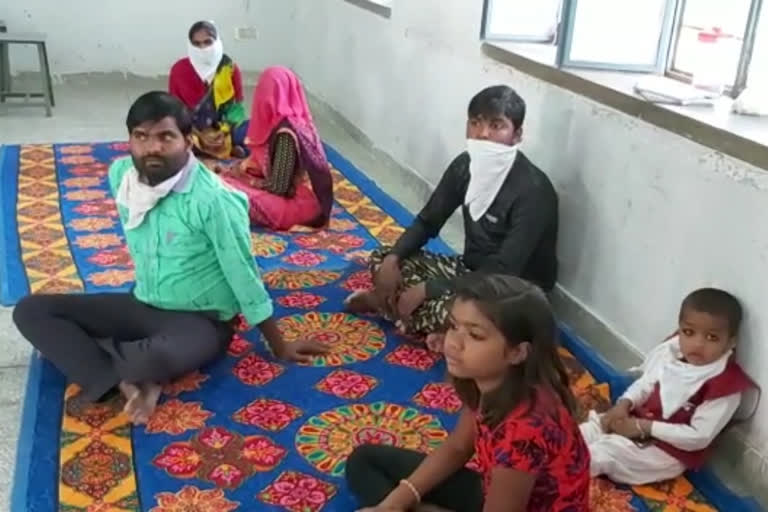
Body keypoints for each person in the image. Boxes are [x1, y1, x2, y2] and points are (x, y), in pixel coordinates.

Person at [12, 92, 327, 425]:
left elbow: (243, 273)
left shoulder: (214, 200)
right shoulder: (122, 176)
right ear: (130, 140)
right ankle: (124, 379)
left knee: (154, 356)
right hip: (143, 303)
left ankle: (108, 365)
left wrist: (279, 344)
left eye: (166, 137)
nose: (152, 148)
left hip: (201, 320)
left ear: (188, 142)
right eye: (141, 136)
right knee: (31, 311)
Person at [346, 274, 590, 512]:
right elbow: (458, 447)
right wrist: (395, 502)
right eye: (453, 326)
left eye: (475, 335)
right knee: (364, 461)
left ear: (517, 352)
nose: (453, 342)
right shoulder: (493, 380)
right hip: (491, 489)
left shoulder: (522, 429)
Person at [345, 85, 558, 352]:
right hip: (469, 270)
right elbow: (428, 221)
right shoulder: (464, 166)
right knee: (384, 259)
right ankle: (431, 323)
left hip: (512, 292)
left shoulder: (534, 190)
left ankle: (403, 311)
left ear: (517, 135)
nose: (482, 134)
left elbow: (505, 270)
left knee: (461, 311)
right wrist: (393, 258)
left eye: (497, 126)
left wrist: (428, 289)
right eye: (475, 123)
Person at [580, 288, 757, 485]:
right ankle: (549, 454)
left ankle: (556, 478)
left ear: (731, 341)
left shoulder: (725, 385)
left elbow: (699, 436)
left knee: (606, 452)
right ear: (679, 329)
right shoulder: (672, 352)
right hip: (640, 419)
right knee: (592, 429)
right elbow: (647, 383)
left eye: (711, 338)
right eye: (689, 332)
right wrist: (624, 404)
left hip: (667, 451)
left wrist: (645, 427)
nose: (697, 344)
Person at [217, 66, 333, 231]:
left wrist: (247, 180)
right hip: (289, 193)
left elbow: (280, 188)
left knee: (224, 189)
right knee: (226, 178)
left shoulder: (285, 135)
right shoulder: (283, 122)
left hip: (290, 204)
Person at [169, 21, 248, 159]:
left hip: (224, 127)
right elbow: (173, 109)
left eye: (208, 42)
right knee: (171, 136)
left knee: (250, 129)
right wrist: (198, 133)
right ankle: (226, 149)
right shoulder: (179, 70)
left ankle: (218, 147)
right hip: (192, 129)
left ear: (217, 42)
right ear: (190, 45)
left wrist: (224, 130)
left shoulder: (229, 69)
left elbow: (237, 108)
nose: (202, 48)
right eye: (196, 44)